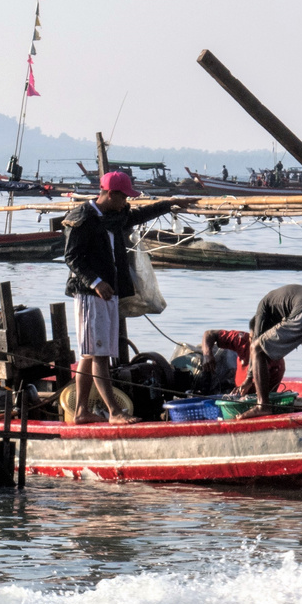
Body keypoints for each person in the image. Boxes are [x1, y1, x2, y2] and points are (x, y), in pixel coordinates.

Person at [62, 170, 190, 424]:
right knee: (99, 355)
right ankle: (114, 412)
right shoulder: (82, 217)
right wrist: (96, 282)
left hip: (110, 292)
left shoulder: (114, 216)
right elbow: (72, 257)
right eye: (123, 197)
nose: (126, 202)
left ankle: (81, 412)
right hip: (91, 294)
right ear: (111, 194)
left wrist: (169, 204)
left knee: (89, 355)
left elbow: (139, 215)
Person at [245, 283, 302, 413]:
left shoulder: (263, 305)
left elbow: (256, 340)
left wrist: (249, 378)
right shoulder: (283, 303)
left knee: (257, 348)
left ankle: (263, 406)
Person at [199, 328, 285, 397]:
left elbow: (265, 395)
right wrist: (207, 355)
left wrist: (243, 391)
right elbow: (209, 334)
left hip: (251, 396)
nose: (254, 345)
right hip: (232, 384)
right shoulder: (242, 340)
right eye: (252, 339)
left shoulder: (276, 361)